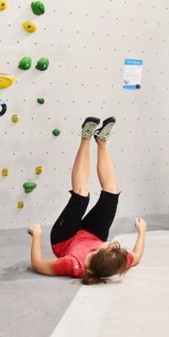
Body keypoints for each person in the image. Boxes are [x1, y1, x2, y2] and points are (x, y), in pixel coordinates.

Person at [27, 117, 147, 285]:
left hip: (65, 238)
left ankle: (85, 138)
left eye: (108, 246)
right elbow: (137, 257)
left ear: (93, 256)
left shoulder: (73, 264)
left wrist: (37, 235)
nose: (112, 244)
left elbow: (38, 265)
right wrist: (142, 231)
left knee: (82, 195)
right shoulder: (115, 262)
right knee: (112, 193)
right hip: (91, 234)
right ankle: (101, 142)